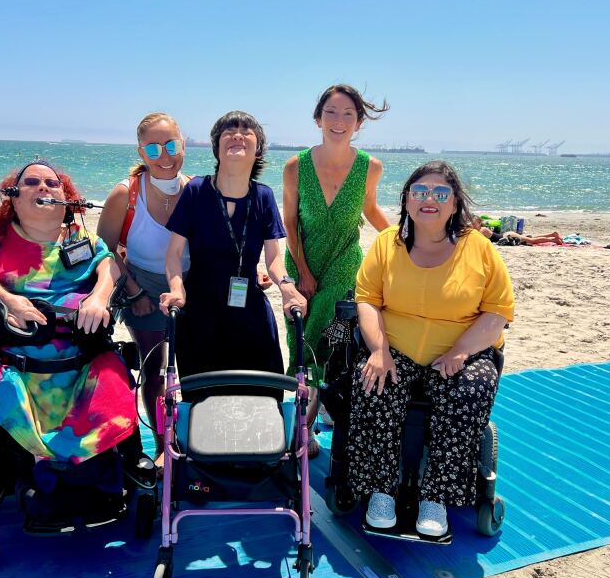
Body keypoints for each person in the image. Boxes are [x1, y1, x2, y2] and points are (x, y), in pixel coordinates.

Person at [348, 161, 514, 536]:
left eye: (441, 193)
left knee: (470, 389)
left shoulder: (480, 249)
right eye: (420, 192)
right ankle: (381, 491)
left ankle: (436, 498)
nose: (430, 200)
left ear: (454, 204)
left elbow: (497, 312)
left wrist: (460, 351)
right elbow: (367, 301)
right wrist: (379, 350)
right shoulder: (387, 244)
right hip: (396, 346)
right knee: (373, 382)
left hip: (460, 350)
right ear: (406, 200)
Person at [0, 160, 140, 486]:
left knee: (115, 378)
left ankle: (117, 465)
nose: (43, 187)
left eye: (52, 183)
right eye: (31, 182)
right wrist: (10, 301)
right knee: (4, 394)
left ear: (67, 197)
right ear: (14, 198)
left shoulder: (79, 236)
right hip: (21, 366)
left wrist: (99, 297)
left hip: (84, 361)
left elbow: (110, 266)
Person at [160, 111, 307, 389]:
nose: (237, 134)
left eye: (246, 131)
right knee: (203, 397)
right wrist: (177, 288)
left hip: (249, 308)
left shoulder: (263, 196)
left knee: (263, 392)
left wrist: (287, 288)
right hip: (200, 311)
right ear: (216, 147)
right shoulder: (196, 190)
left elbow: (274, 258)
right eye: (228, 131)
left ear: (258, 149)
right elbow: (173, 254)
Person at [283, 84, 390, 456]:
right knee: (301, 341)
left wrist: (405, 239)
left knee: (329, 338)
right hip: (303, 264)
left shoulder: (369, 167)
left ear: (359, 123)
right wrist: (303, 271)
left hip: (345, 264)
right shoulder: (296, 166)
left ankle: (308, 423)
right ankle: (311, 410)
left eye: (348, 114)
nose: (339, 121)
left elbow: (371, 211)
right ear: (318, 119)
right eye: (331, 112)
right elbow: (290, 223)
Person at [97, 113, 190, 435]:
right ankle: (163, 441)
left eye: (170, 145)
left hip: (190, 286)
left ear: (183, 144)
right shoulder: (125, 194)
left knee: (192, 368)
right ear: (141, 153)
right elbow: (104, 250)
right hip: (142, 288)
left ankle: (192, 436)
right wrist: (134, 292)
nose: (163, 156)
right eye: (153, 150)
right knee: (154, 370)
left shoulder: (196, 190)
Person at [472, 216, 563, 246]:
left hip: (507, 236)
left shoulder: (482, 230)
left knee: (531, 241)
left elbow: (476, 239)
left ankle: (553, 240)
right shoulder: (479, 230)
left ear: (480, 223)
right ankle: (552, 234)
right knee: (529, 238)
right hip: (506, 235)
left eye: (474, 223)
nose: (472, 225)